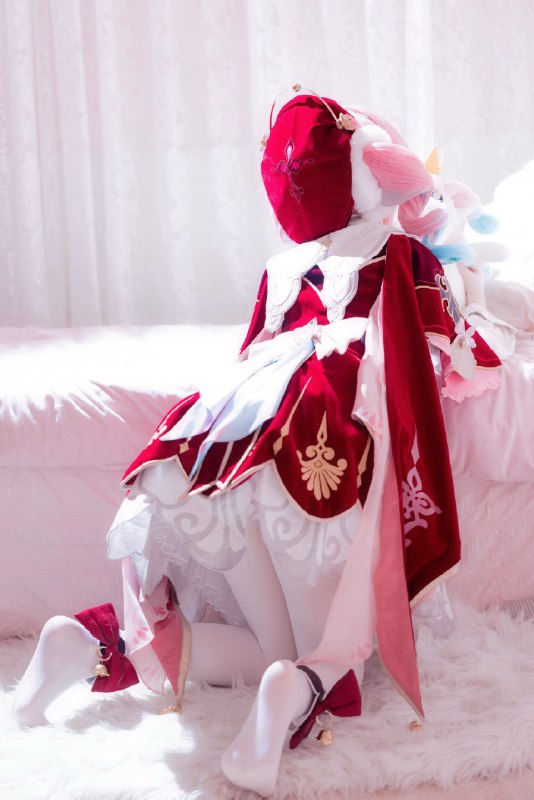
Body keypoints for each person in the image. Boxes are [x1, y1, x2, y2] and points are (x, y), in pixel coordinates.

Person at [13, 88, 501, 798]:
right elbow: (462, 353)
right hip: (322, 448)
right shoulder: (404, 256)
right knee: (336, 655)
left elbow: (251, 356)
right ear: (375, 178)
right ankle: (293, 691)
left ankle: (94, 642)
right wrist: (473, 309)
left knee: (273, 644)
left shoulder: (282, 267)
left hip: (223, 449)